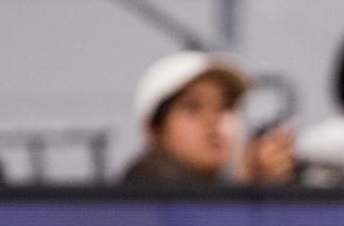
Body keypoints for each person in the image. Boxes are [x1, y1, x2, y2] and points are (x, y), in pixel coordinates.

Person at [121, 49, 296, 183]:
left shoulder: (225, 185)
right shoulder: (143, 184)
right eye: (192, 107)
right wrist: (246, 188)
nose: (213, 120)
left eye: (225, 106)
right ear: (154, 128)